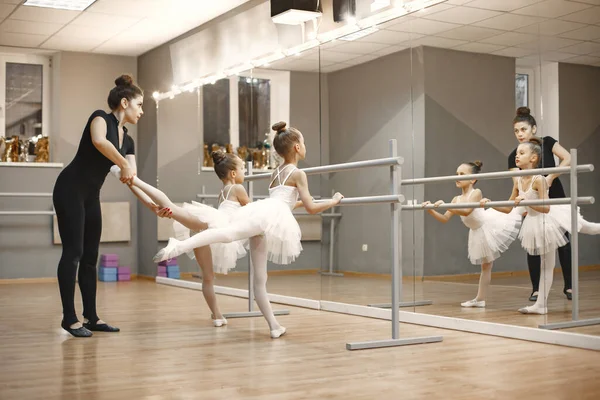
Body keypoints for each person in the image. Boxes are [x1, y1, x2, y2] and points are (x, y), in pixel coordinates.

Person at [153, 121, 344, 338]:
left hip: (267, 214)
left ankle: (275, 327)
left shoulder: (277, 172)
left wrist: (305, 203)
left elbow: (287, 202)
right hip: (270, 216)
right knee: (230, 237)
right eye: (303, 142)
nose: (304, 145)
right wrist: (333, 200)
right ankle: (178, 245)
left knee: (258, 276)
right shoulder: (299, 174)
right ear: (297, 148)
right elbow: (310, 207)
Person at [110, 150, 250, 327]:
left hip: (207, 230)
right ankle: (134, 181)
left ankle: (217, 315)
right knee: (169, 206)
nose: (245, 171)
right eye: (243, 168)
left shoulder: (223, 191)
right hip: (212, 225)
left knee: (208, 277)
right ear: (233, 173)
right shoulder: (238, 188)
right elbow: (252, 212)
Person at [53, 75, 145, 337]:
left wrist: (152, 204)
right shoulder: (100, 119)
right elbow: (99, 141)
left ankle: (91, 317)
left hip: (91, 195)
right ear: (125, 102)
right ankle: (69, 319)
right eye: (139, 105)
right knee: (73, 253)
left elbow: (133, 177)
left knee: (91, 257)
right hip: (69, 189)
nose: (141, 111)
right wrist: (124, 164)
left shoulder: (128, 140)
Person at [484, 138, 600, 314]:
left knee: (589, 228)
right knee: (547, 265)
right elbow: (509, 208)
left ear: (533, 158)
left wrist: (527, 201)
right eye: (516, 154)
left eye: (521, 153)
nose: (516, 156)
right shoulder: (519, 181)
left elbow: (546, 207)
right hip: (536, 222)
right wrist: (490, 203)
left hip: (552, 217)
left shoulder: (539, 179)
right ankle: (541, 305)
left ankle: (541, 304)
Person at [423, 161, 521, 308]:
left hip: (487, 227)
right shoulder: (456, 199)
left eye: (462, 174)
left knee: (487, 265)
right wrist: (431, 210)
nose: (457, 177)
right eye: (456, 174)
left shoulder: (476, 193)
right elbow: (444, 218)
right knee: (486, 266)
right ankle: (480, 299)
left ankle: (480, 299)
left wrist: (446, 205)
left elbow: (466, 211)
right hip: (476, 232)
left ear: (473, 179)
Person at [508, 107, 573, 301]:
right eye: (516, 131)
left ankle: (569, 286)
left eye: (523, 129)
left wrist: (551, 176)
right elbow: (517, 184)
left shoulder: (547, 142)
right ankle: (536, 288)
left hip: (555, 194)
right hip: (533, 199)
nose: (520, 134)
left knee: (564, 241)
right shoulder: (515, 156)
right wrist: (524, 204)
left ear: (533, 129)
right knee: (533, 243)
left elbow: (568, 158)